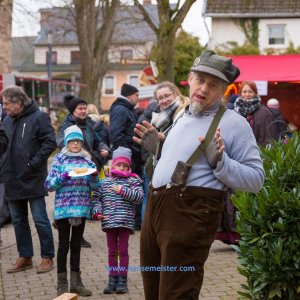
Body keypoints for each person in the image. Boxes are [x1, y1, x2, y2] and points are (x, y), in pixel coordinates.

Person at [133, 50, 265, 299]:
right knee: (152, 289)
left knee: (177, 293)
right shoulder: (181, 115)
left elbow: (256, 179)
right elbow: (178, 161)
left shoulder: (234, 123)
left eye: (213, 84)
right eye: (200, 80)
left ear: (224, 90)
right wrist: (157, 150)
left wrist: (221, 163)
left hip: (189, 215)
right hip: (155, 209)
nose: (204, 88)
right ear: (189, 79)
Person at [0, 86, 56, 274]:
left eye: (7, 103)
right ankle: (25, 257)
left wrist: (32, 164)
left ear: (18, 102)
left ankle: (47, 257)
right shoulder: (7, 120)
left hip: (32, 178)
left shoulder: (39, 117)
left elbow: (50, 142)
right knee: (18, 220)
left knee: (40, 219)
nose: (4, 106)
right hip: (11, 179)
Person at [45, 125, 99, 297]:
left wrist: (94, 176)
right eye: (72, 141)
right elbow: (48, 185)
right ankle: (62, 284)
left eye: (78, 141)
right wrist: (64, 176)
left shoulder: (87, 161)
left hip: (81, 209)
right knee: (63, 246)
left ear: (82, 142)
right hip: (63, 210)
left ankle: (76, 283)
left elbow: (95, 186)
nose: (75, 144)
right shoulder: (59, 160)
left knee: (76, 246)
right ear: (67, 142)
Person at [57, 95, 110, 248]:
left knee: (84, 200)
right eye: (80, 108)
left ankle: (79, 236)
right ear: (73, 111)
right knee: (72, 201)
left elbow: (98, 140)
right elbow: (60, 141)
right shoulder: (67, 125)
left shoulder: (89, 124)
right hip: (72, 168)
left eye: (85, 108)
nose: (83, 111)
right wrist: (78, 150)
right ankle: (68, 232)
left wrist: (104, 148)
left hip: (89, 166)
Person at [91, 146, 144, 295]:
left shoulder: (133, 180)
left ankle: (123, 280)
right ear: (113, 164)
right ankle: (112, 279)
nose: (121, 167)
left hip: (125, 222)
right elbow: (96, 198)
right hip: (109, 222)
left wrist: (122, 190)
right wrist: (97, 212)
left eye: (125, 165)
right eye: (119, 164)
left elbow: (139, 197)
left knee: (123, 251)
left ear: (129, 166)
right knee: (112, 252)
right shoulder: (105, 181)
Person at [109, 83, 143, 230]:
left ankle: (130, 222)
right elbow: (116, 135)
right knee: (125, 188)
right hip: (127, 157)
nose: (138, 99)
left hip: (130, 154)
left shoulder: (125, 109)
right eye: (137, 95)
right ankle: (124, 223)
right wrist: (128, 153)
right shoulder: (121, 110)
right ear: (129, 95)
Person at [234, 81, 279, 146]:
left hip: (259, 152)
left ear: (255, 93)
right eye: (244, 92)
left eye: (250, 91)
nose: (247, 94)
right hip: (238, 151)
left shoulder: (264, 112)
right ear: (240, 93)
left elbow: (269, 136)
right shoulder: (235, 111)